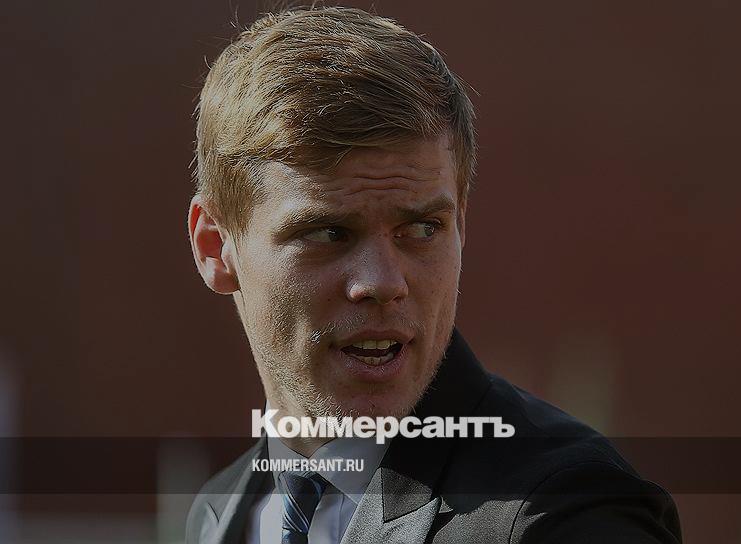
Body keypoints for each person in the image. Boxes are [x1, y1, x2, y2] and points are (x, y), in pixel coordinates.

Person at [185, 6, 681, 543]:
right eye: (329, 233)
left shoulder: (570, 514)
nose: (383, 282)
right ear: (215, 247)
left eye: (422, 228)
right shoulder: (218, 511)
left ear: (460, 225)